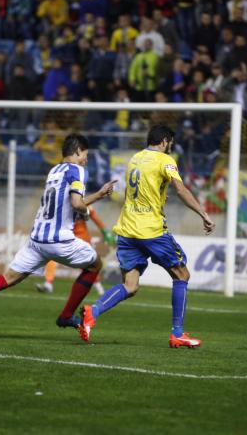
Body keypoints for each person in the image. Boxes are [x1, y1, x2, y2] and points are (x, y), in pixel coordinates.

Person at [0, 134, 117, 339]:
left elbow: (65, 202)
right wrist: (92, 203)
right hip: (59, 240)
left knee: (7, 278)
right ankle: (65, 316)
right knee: (95, 265)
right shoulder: (78, 170)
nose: (86, 159)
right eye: (86, 154)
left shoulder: (54, 171)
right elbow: (76, 203)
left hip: (37, 240)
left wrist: (89, 203)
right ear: (78, 151)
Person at [78, 124, 216, 348]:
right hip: (151, 230)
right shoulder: (165, 160)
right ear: (163, 141)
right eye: (170, 143)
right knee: (181, 275)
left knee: (130, 285)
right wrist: (203, 213)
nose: (170, 147)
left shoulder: (135, 158)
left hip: (127, 229)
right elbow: (180, 189)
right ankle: (177, 333)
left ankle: (92, 313)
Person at [35, 204, 116, 294]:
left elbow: (93, 215)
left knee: (87, 264)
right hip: (65, 235)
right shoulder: (61, 203)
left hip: (82, 237)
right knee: (51, 255)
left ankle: (99, 287)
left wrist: (104, 231)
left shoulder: (81, 202)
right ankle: (48, 283)